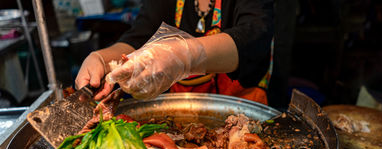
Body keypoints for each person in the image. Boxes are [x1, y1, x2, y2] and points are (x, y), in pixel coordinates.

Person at [75, 0, 274, 105]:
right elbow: (139, 38)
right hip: (183, 115)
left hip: (244, 114)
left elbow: (253, 39)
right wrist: (101, 59)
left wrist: (182, 54)